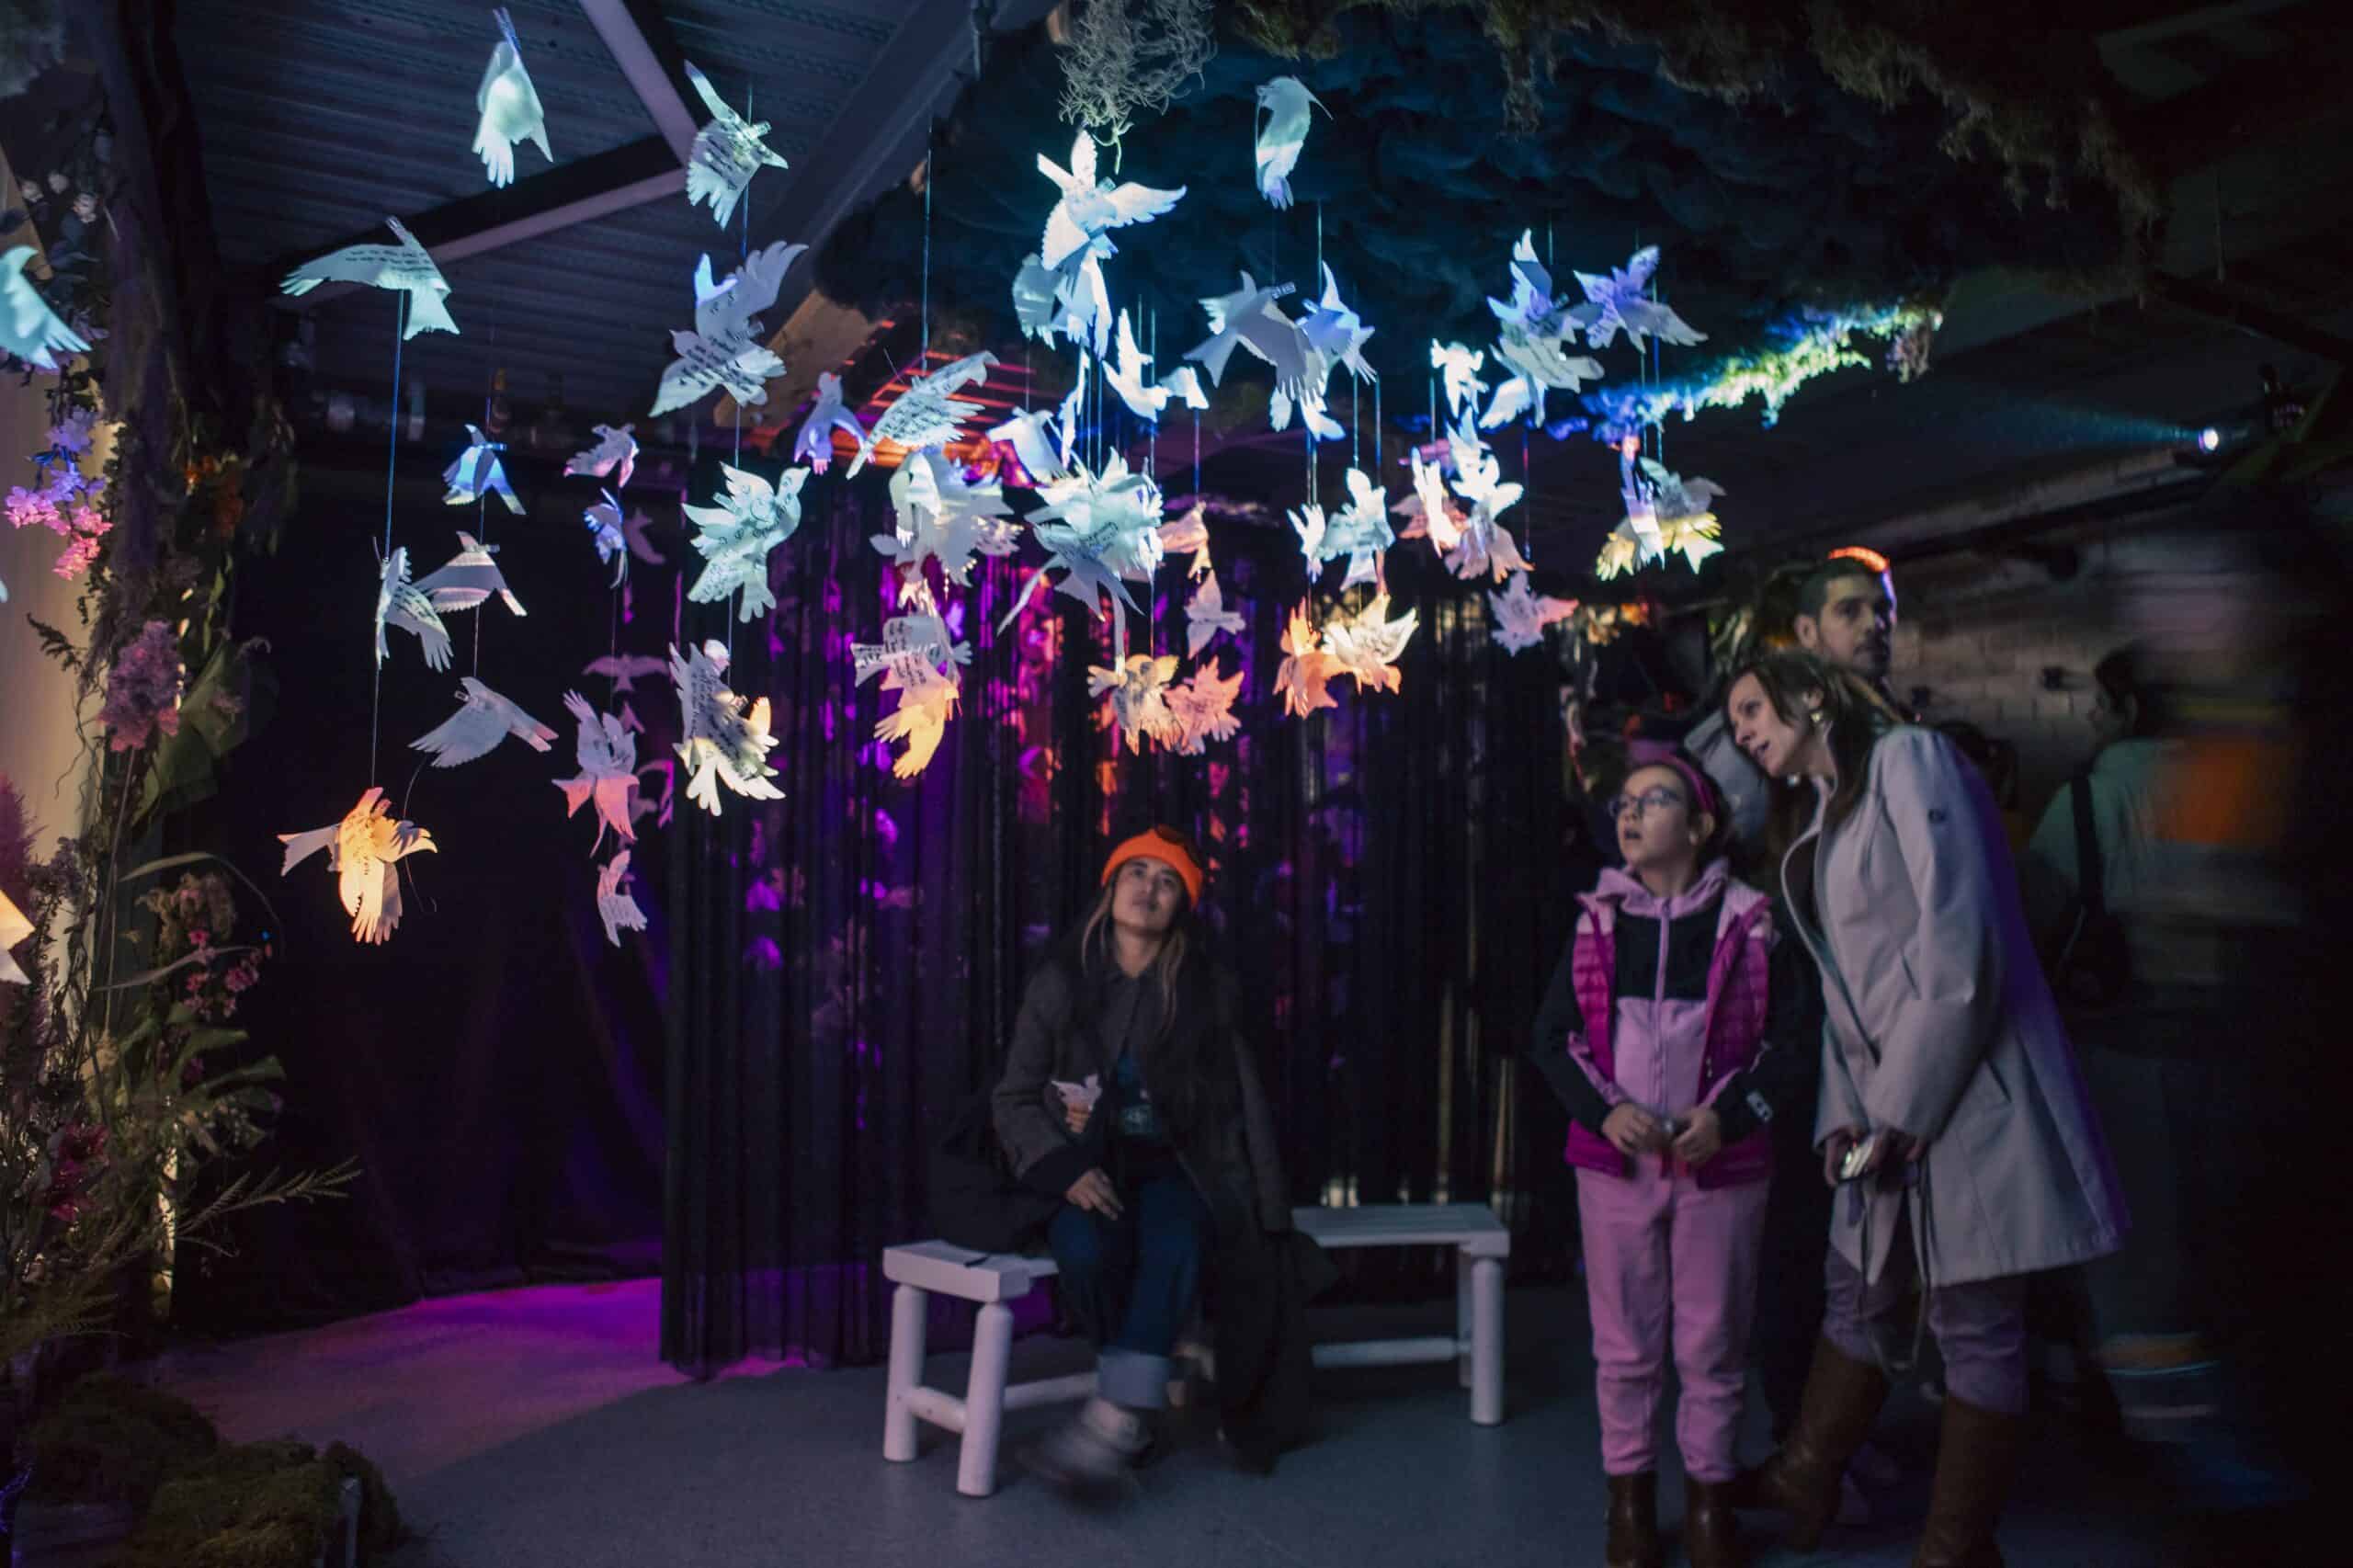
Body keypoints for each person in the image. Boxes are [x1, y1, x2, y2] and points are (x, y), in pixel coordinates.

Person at [1720, 651, 2126, 1566]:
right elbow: (1844, 997)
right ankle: (1806, 1474)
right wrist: (1841, 1115)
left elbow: (1959, 943)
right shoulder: (1824, 811)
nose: (1741, 730)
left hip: (1971, 1095)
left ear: (1810, 693)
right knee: (1857, 1289)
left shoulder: (1909, 759)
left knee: (1974, 1320)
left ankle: (1953, 1544)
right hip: (1891, 1108)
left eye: (1751, 707)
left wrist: (1894, 1111)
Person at [1529, 745, 1814, 1568]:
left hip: (1720, 1171)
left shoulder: (1752, 923)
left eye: (1651, 801)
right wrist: (1607, 1108)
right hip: (1615, 1171)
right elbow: (1555, 1039)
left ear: (1698, 824)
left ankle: (1709, 1510)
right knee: (1624, 1347)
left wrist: (1728, 1117)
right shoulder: (1597, 922)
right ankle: (1628, 1508)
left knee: (1714, 1345)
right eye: (1622, 803)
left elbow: (1790, 1046)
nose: (1629, 813)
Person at [991, 825, 1294, 1494]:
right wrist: (1064, 1170)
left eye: (1167, 881)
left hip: (1179, 1165)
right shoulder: (1059, 982)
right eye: (1138, 873)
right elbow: (1014, 1096)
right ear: (1112, 885)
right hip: (1086, 1168)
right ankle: (1131, 1388)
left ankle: (1118, 1414)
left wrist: (1268, 1207)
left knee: (1175, 1235)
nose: (1149, 889)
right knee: (1086, 1250)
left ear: (1181, 904)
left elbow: (1244, 1102)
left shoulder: (1207, 988)